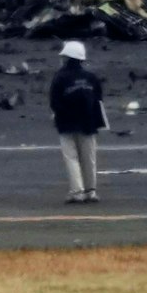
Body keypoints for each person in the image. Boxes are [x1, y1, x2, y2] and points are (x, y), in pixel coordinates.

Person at [50, 40, 107, 204]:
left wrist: (59, 115)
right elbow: (98, 100)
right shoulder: (91, 78)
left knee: (71, 157)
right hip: (88, 122)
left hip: (66, 122)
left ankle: (77, 191)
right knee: (89, 157)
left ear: (67, 58)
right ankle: (91, 191)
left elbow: (54, 101)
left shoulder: (60, 77)